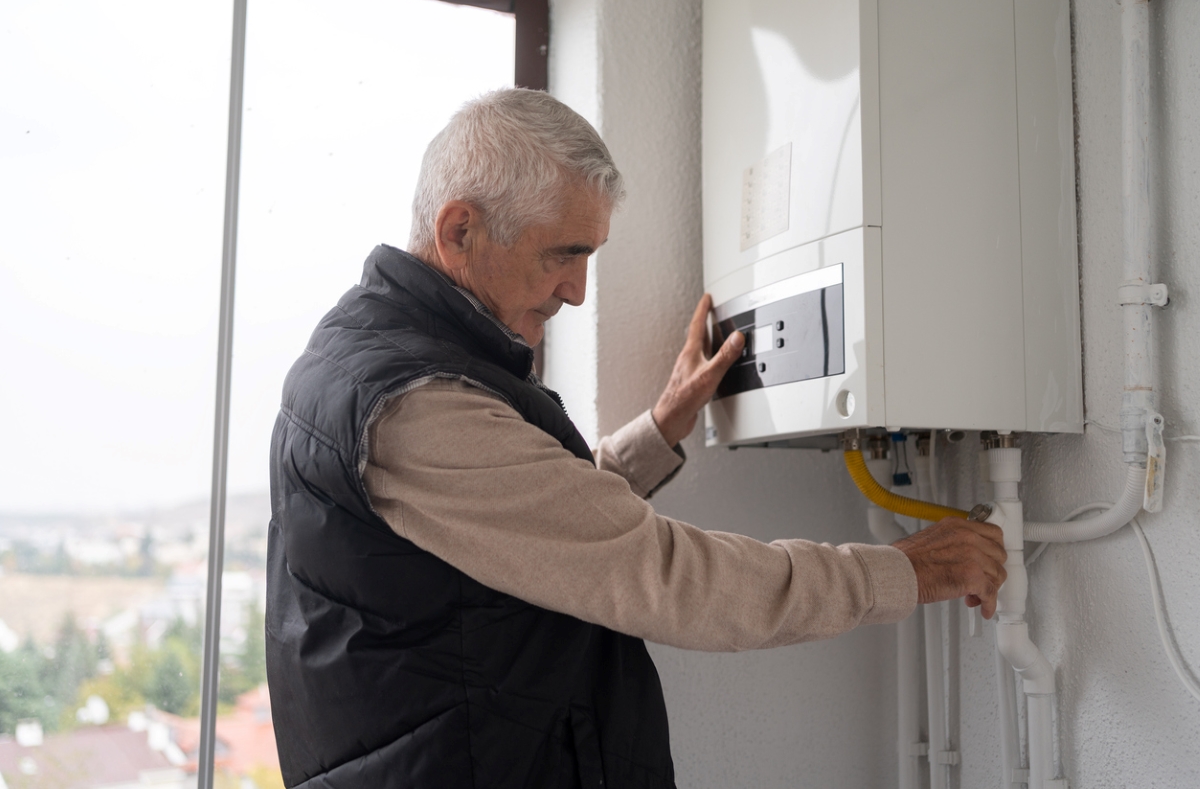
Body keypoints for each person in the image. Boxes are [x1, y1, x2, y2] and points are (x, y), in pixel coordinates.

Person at [265, 88, 1007, 789]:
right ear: (460, 229)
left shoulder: (383, 358)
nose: (577, 290)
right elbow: (663, 575)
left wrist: (663, 425)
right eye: (563, 254)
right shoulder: (415, 405)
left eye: (588, 256)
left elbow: (539, 520)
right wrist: (903, 571)